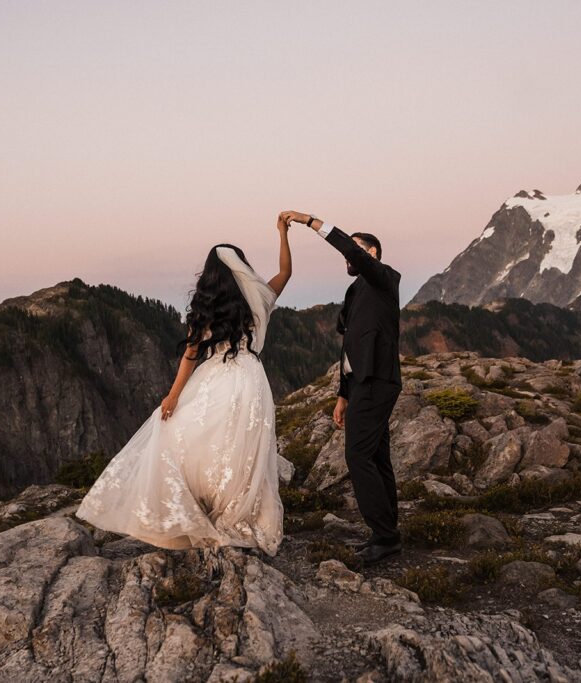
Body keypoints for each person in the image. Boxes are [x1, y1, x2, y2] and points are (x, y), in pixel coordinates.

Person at [75, 215, 293, 555]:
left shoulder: (207, 308)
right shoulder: (258, 300)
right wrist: (282, 234)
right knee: (242, 448)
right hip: (251, 380)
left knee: (193, 440)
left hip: (216, 376)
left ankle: (200, 508)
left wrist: (173, 396)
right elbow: (285, 273)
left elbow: (191, 355)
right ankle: (238, 511)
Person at [281, 210, 402, 565]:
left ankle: (385, 536)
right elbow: (350, 345)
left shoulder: (384, 279)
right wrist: (343, 394)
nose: (350, 257)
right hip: (361, 383)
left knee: (357, 456)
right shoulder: (356, 291)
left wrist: (310, 221)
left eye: (358, 250)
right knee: (377, 457)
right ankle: (387, 534)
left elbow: (352, 250)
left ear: (372, 254)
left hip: (378, 381)